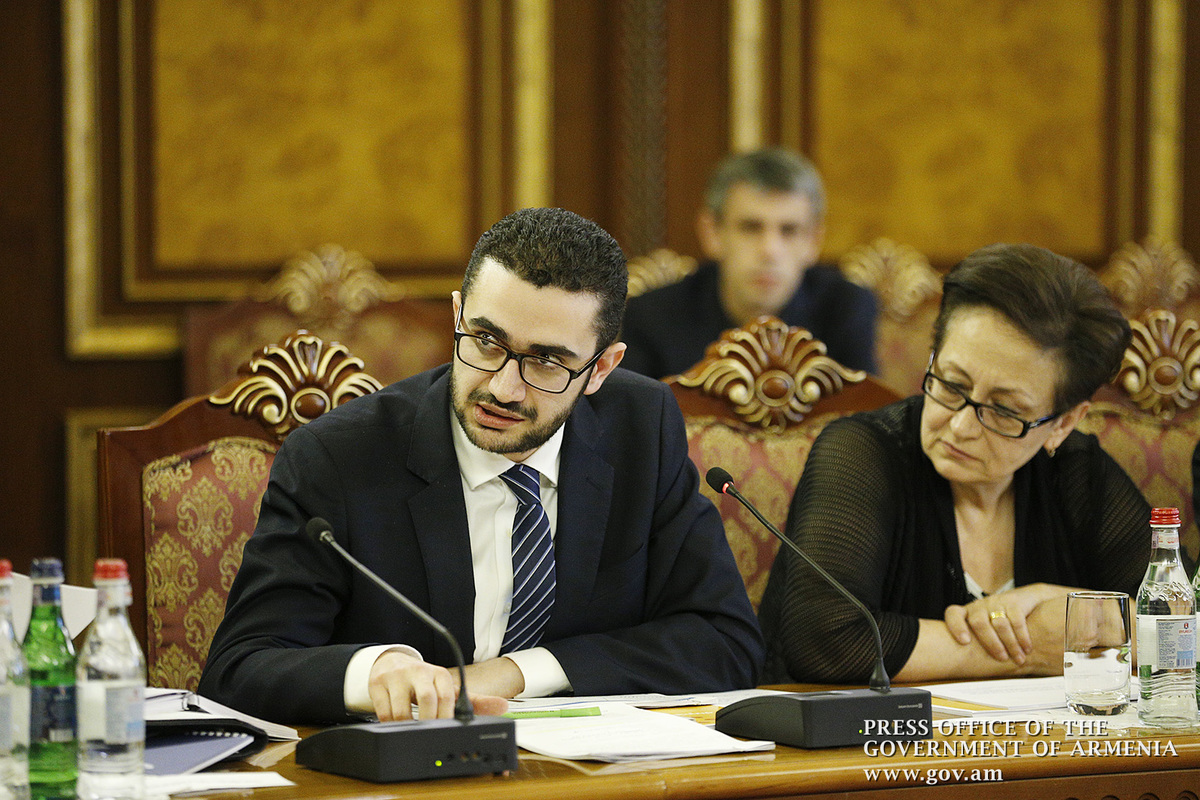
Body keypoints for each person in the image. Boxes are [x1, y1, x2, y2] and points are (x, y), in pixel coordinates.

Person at [198, 208, 764, 724]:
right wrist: (373, 671)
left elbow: (726, 641)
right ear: (457, 314)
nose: (503, 387)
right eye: (486, 341)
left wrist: (515, 674)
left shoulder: (641, 429)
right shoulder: (339, 457)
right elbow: (239, 668)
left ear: (601, 369)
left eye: (546, 361)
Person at [757, 243, 1150, 684]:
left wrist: (1076, 610)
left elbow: (1183, 617)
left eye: (1003, 410)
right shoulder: (863, 452)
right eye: (951, 384)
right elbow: (825, 641)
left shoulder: (1078, 473)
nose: (961, 426)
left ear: (1063, 423)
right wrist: (1034, 649)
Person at [621, 147, 877, 378]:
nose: (770, 251)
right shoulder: (652, 317)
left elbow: (865, 413)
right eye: (750, 228)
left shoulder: (847, 309)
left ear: (814, 241)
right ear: (712, 233)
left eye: (789, 230)